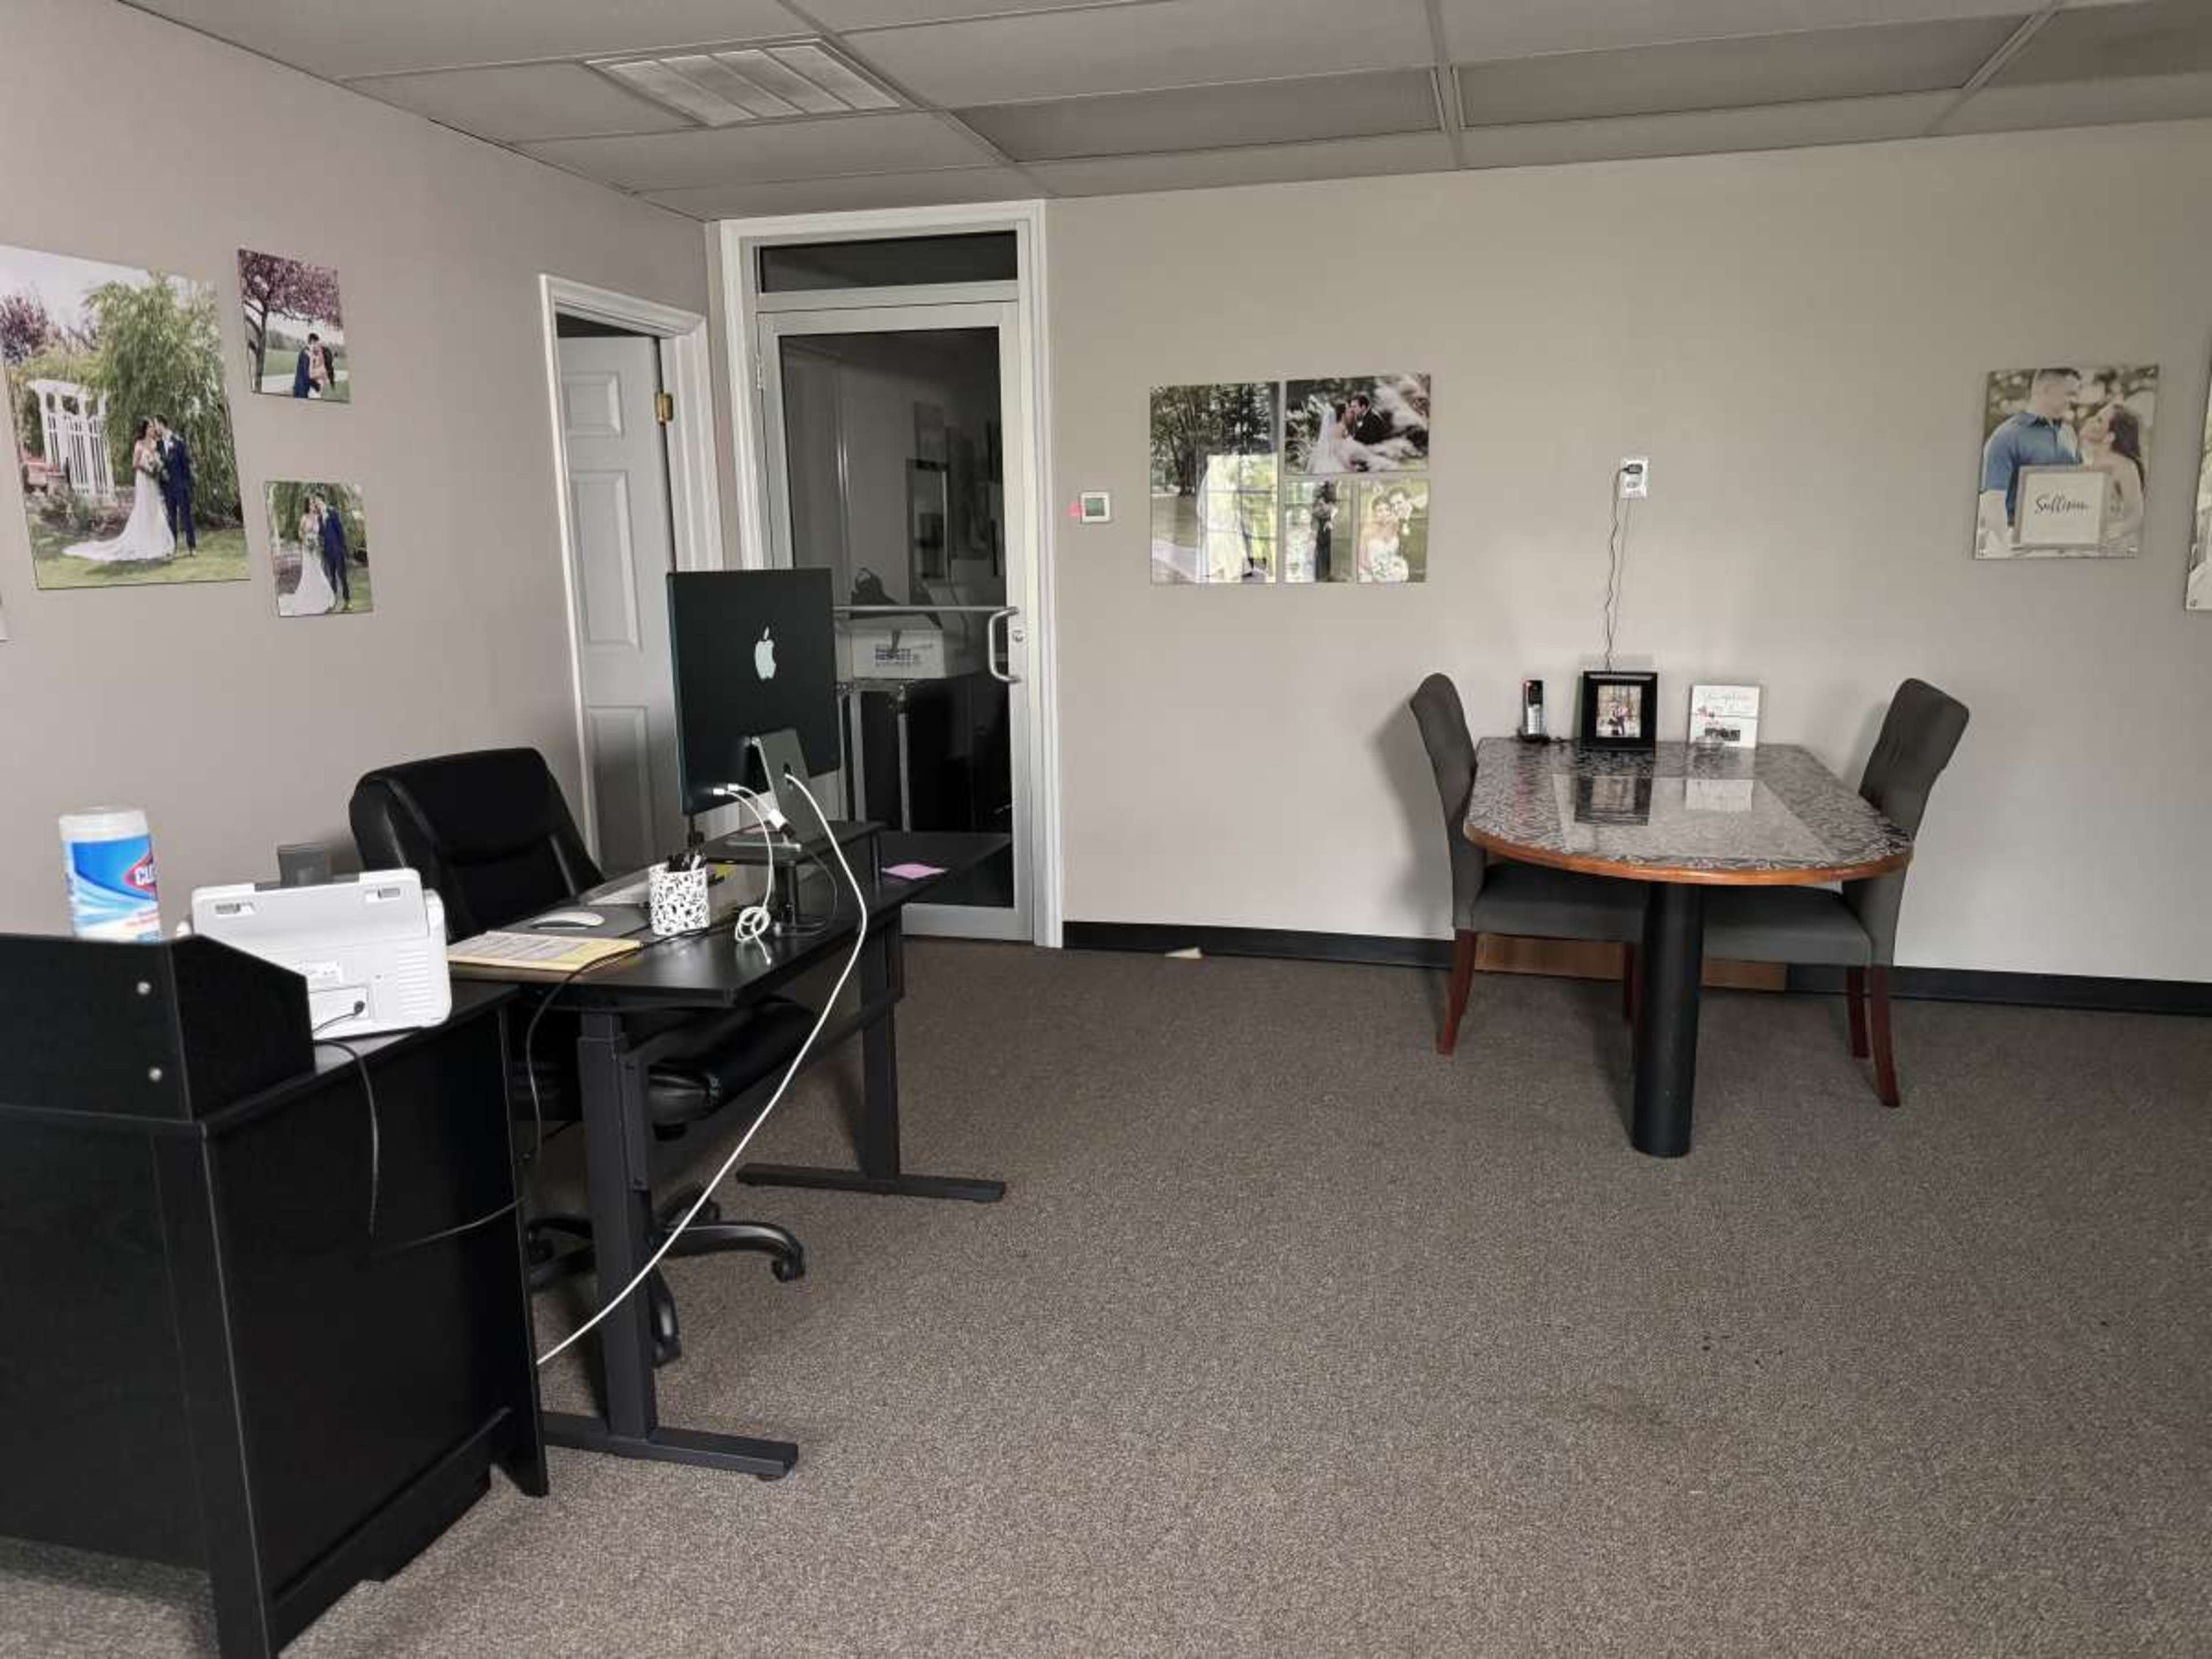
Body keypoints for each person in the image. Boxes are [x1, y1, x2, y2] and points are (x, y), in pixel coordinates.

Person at [1978, 367, 2080, 552]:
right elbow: (1993, 504)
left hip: (2063, 544)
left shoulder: (2069, 433)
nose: (2074, 401)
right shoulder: (2006, 437)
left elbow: (2078, 489)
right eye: (2070, 394)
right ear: (2047, 390)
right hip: (2018, 545)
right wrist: (2007, 549)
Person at [62, 419, 175, 563]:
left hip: (152, 481)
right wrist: (148, 470)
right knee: (143, 508)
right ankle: (142, 541)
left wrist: (156, 469)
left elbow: (156, 460)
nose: (153, 429)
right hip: (143, 478)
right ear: (145, 429)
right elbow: (135, 464)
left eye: (154, 427)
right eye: (151, 427)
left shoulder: (154, 444)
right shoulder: (139, 444)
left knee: (154, 508)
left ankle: (155, 539)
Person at [2078, 400, 2147, 555]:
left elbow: (2136, 515)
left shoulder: (2124, 466)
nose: (2090, 420)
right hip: (2082, 550)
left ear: (2110, 436)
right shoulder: (2084, 459)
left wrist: (2111, 533)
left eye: (2099, 420)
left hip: (2108, 553)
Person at [285, 498, 336, 615]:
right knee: (308, 572)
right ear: (308, 505)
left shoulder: (319, 517)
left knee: (318, 571)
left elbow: (322, 532)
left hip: (316, 549)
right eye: (311, 503)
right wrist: (306, 542)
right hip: (307, 549)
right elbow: (300, 532)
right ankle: (307, 600)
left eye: (314, 503)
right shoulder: (305, 517)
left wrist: (317, 543)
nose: (313, 505)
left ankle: (322, 597)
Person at [155, 416, 195, 554]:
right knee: (171, 519)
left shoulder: (178, 442)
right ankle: (173, 547)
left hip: (181, 487)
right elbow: (159, 466)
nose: (155, 428)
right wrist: (161, 476)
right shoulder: (158, 445)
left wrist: (187, 487)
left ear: (162, 425)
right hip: (167, 489)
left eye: (156, 425)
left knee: (186, 517)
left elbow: (186, 466)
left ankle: (192, 547)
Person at [317, 491, 352, 611]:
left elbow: (340, 531)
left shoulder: (333, 512)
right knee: (332, 577)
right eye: (315, 502)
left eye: (318, 501)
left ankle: (347, 602)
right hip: (328, 552)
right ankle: (333, 602)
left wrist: (342, 548)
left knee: (342, 576)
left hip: (337, 550)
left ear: (322, 500)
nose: (317, 503)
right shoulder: (320, 517)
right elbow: (321, 533)